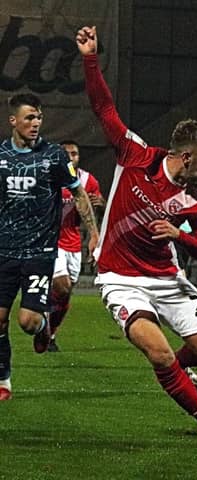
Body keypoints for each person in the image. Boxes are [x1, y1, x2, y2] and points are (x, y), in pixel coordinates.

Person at [76, 26, 197, 443]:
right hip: (120, 278)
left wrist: (179, 237)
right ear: (186, 156)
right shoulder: (136, 156)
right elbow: (103, 108)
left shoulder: (196, 198)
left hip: (166, 278)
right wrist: (90, 57)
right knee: (157, 351)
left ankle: (179, 372)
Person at [0, 94, 99, 400]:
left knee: (27, 322)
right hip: (4, 250)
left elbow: (79, 194)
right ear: (13, 120)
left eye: (39, 117)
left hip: (40, 252)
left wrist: (93, 233)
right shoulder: (1, 155)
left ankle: (43, 326)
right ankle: (3, 381)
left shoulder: (54, 156)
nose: (35, 123)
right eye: (29, 117)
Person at [48, 140, 105, 352]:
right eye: (66, 153)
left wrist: (101, 206)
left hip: (73, 243)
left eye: (75, 153)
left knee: (66, 293)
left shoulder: (88, 180)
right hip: (51, 241)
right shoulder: (48, 177)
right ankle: (42, 312)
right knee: (61, 286)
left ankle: (50, 334)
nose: (71, 157)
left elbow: (95, 207)